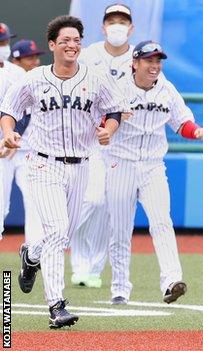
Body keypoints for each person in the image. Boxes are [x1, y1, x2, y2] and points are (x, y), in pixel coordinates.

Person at [1, 15, 127, 329]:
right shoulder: (33, 79)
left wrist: (109, 129)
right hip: (43, 162)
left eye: (76, 40)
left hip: (81, 164)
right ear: (53, 45)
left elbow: (113, 111)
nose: (72, 45)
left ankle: (31, 254)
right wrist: (8, 132)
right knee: (57, 230)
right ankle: (56, 305)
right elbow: (9, 112)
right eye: (66, 40)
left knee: (63, 235)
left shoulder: (96, 78)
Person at [106, 40, 203, 305]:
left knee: (162, 222)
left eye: (158, 61)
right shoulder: (118, 88)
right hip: (121, 162)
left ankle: (171, 280)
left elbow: (182, 122)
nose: (154, 66)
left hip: (153, 165)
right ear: (135, 62)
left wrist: (196, 131)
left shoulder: (167, 89)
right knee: (120, 228)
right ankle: (120, 287)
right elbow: (105, 118)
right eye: (148, 60)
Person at [70, 2, 135, 289]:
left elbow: (156, 88)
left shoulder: (141, 55)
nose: (117, 26)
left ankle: (92, 269)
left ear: (131, 27)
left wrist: (132, 106)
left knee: (108, 207)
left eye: (123, 21)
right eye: (112, 21)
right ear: (103, 26)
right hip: (93, 138)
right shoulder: (89, 54)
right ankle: (74, 256)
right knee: (91, 199)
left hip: (127, 143)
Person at [0, 38, 44, 253]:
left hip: (28, 149)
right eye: (30, 57)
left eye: (36, 57)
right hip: (3, 152)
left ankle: (33, 253)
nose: (35, 61)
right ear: (17, 59)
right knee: (1, 207)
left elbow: (25, 114)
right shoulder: (13, 75)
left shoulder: (29, 78)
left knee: (35, 202)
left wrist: (13, 136)